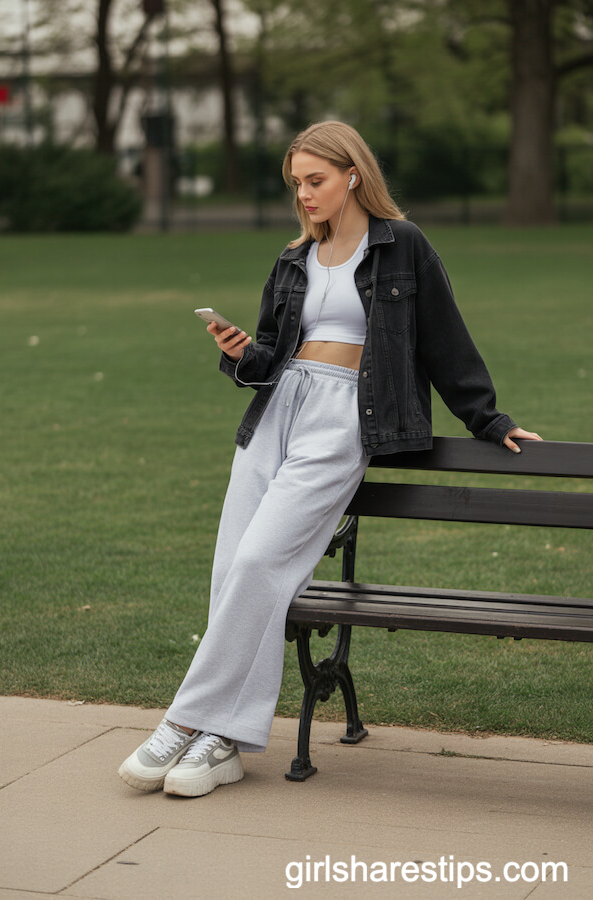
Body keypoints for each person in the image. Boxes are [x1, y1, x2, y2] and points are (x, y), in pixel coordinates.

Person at [118, 121, 542, 798]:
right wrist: (238, 354)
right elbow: (270, 351)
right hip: (277, 410)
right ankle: (223, 740)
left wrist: (490, 419)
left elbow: (445, 344)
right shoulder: (295, 256)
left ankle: (183, 720)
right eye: (297, 184)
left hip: (346, 417)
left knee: (262, 563)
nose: (305, 195)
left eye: (315, 180)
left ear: (352, 174)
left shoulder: (403, 247)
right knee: (235, 570)